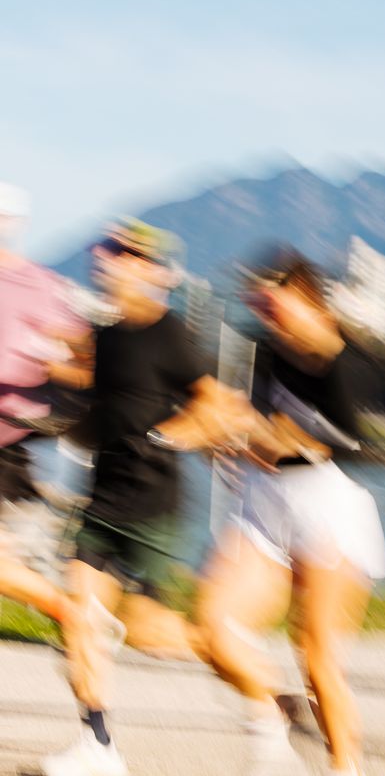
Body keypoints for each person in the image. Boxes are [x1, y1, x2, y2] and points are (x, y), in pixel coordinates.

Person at [42, 219, 291, 776]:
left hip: (151, 503)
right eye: (107, 250)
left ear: (154, 273)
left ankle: (258, 684)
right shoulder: (105, 337)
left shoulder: (169, 331)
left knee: (153, 633)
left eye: (125, 253)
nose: (109, 259)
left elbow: (217, 403)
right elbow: (98, 390)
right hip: (102, 499)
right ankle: (98, 746)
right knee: (77, 613)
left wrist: (170, 436)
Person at [194, 247, 385, 776]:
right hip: (264, 502)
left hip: (328, 510)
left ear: (305, 296)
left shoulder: (348, 360)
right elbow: (256, 435)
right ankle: (273, 707)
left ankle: (344, 767)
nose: (261, 311)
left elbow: (325, 444)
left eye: (269, 300)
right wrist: (231, 438)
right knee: (214, 628)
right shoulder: (265, 351)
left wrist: (251, 433)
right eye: (255, 302)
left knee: (319, 659)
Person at [0, 182, 89, 626]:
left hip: (21, 442)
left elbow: (84, 363)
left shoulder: (42, 286)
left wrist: (43, 360)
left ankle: (70, 610)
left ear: (17, 224)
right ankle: (70, 610)